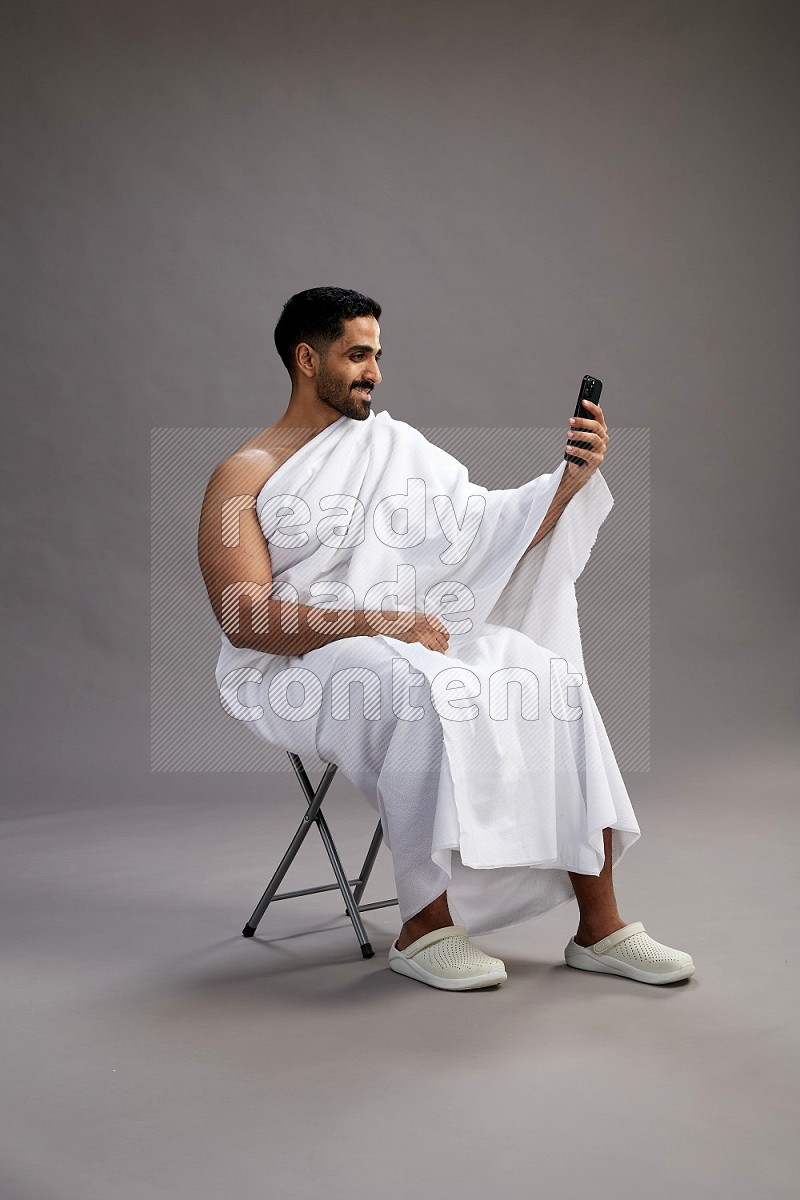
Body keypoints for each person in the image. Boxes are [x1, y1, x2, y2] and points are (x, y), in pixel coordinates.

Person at [197, 286, 695, 992]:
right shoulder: (240, 477)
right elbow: (246, 619)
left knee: (542, 673)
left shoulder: (391, 447)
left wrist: (568, 482)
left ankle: (600, 926)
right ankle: (424, 928)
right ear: (307, 359)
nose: (374, 371)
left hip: (409, 635)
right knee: (408, 686)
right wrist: (380, 622)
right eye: (357, 354)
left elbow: (485, 530)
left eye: (377, 355)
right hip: (297, 664)